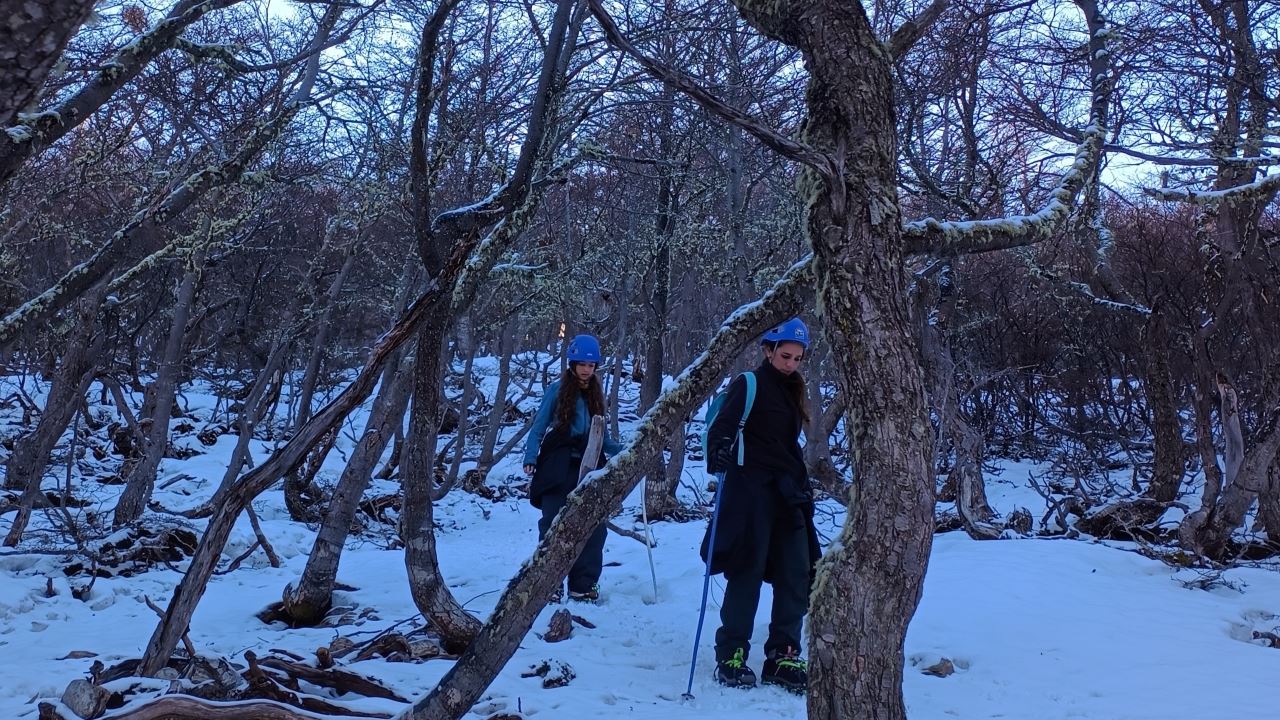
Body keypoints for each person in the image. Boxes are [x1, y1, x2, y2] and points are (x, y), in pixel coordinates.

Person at [702, 317, 820, 693]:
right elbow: (721, 429)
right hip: (750, 493)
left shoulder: (793, 390)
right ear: (768, 350)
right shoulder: (748, 384)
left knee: (796, 572)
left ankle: (783, 654)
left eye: (798, 358)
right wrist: (718, 454)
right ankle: (732, 652)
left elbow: (788, 444)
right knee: (746, 571)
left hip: (788, 494)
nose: (791, 364)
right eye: (785, 356)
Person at [524, 333, 623, 602]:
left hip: (589, 465)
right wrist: (530, 457)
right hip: (558, 463)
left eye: (591, 365)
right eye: (582, 363)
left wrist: (623, 451)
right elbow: (539, 425)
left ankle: (583, 584)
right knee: (552, 523)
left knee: (595, 526)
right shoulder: (557, 390)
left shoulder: (596, 395)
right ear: (572, 363)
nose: (586, 369)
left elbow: (602, 435)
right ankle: (547, 583)